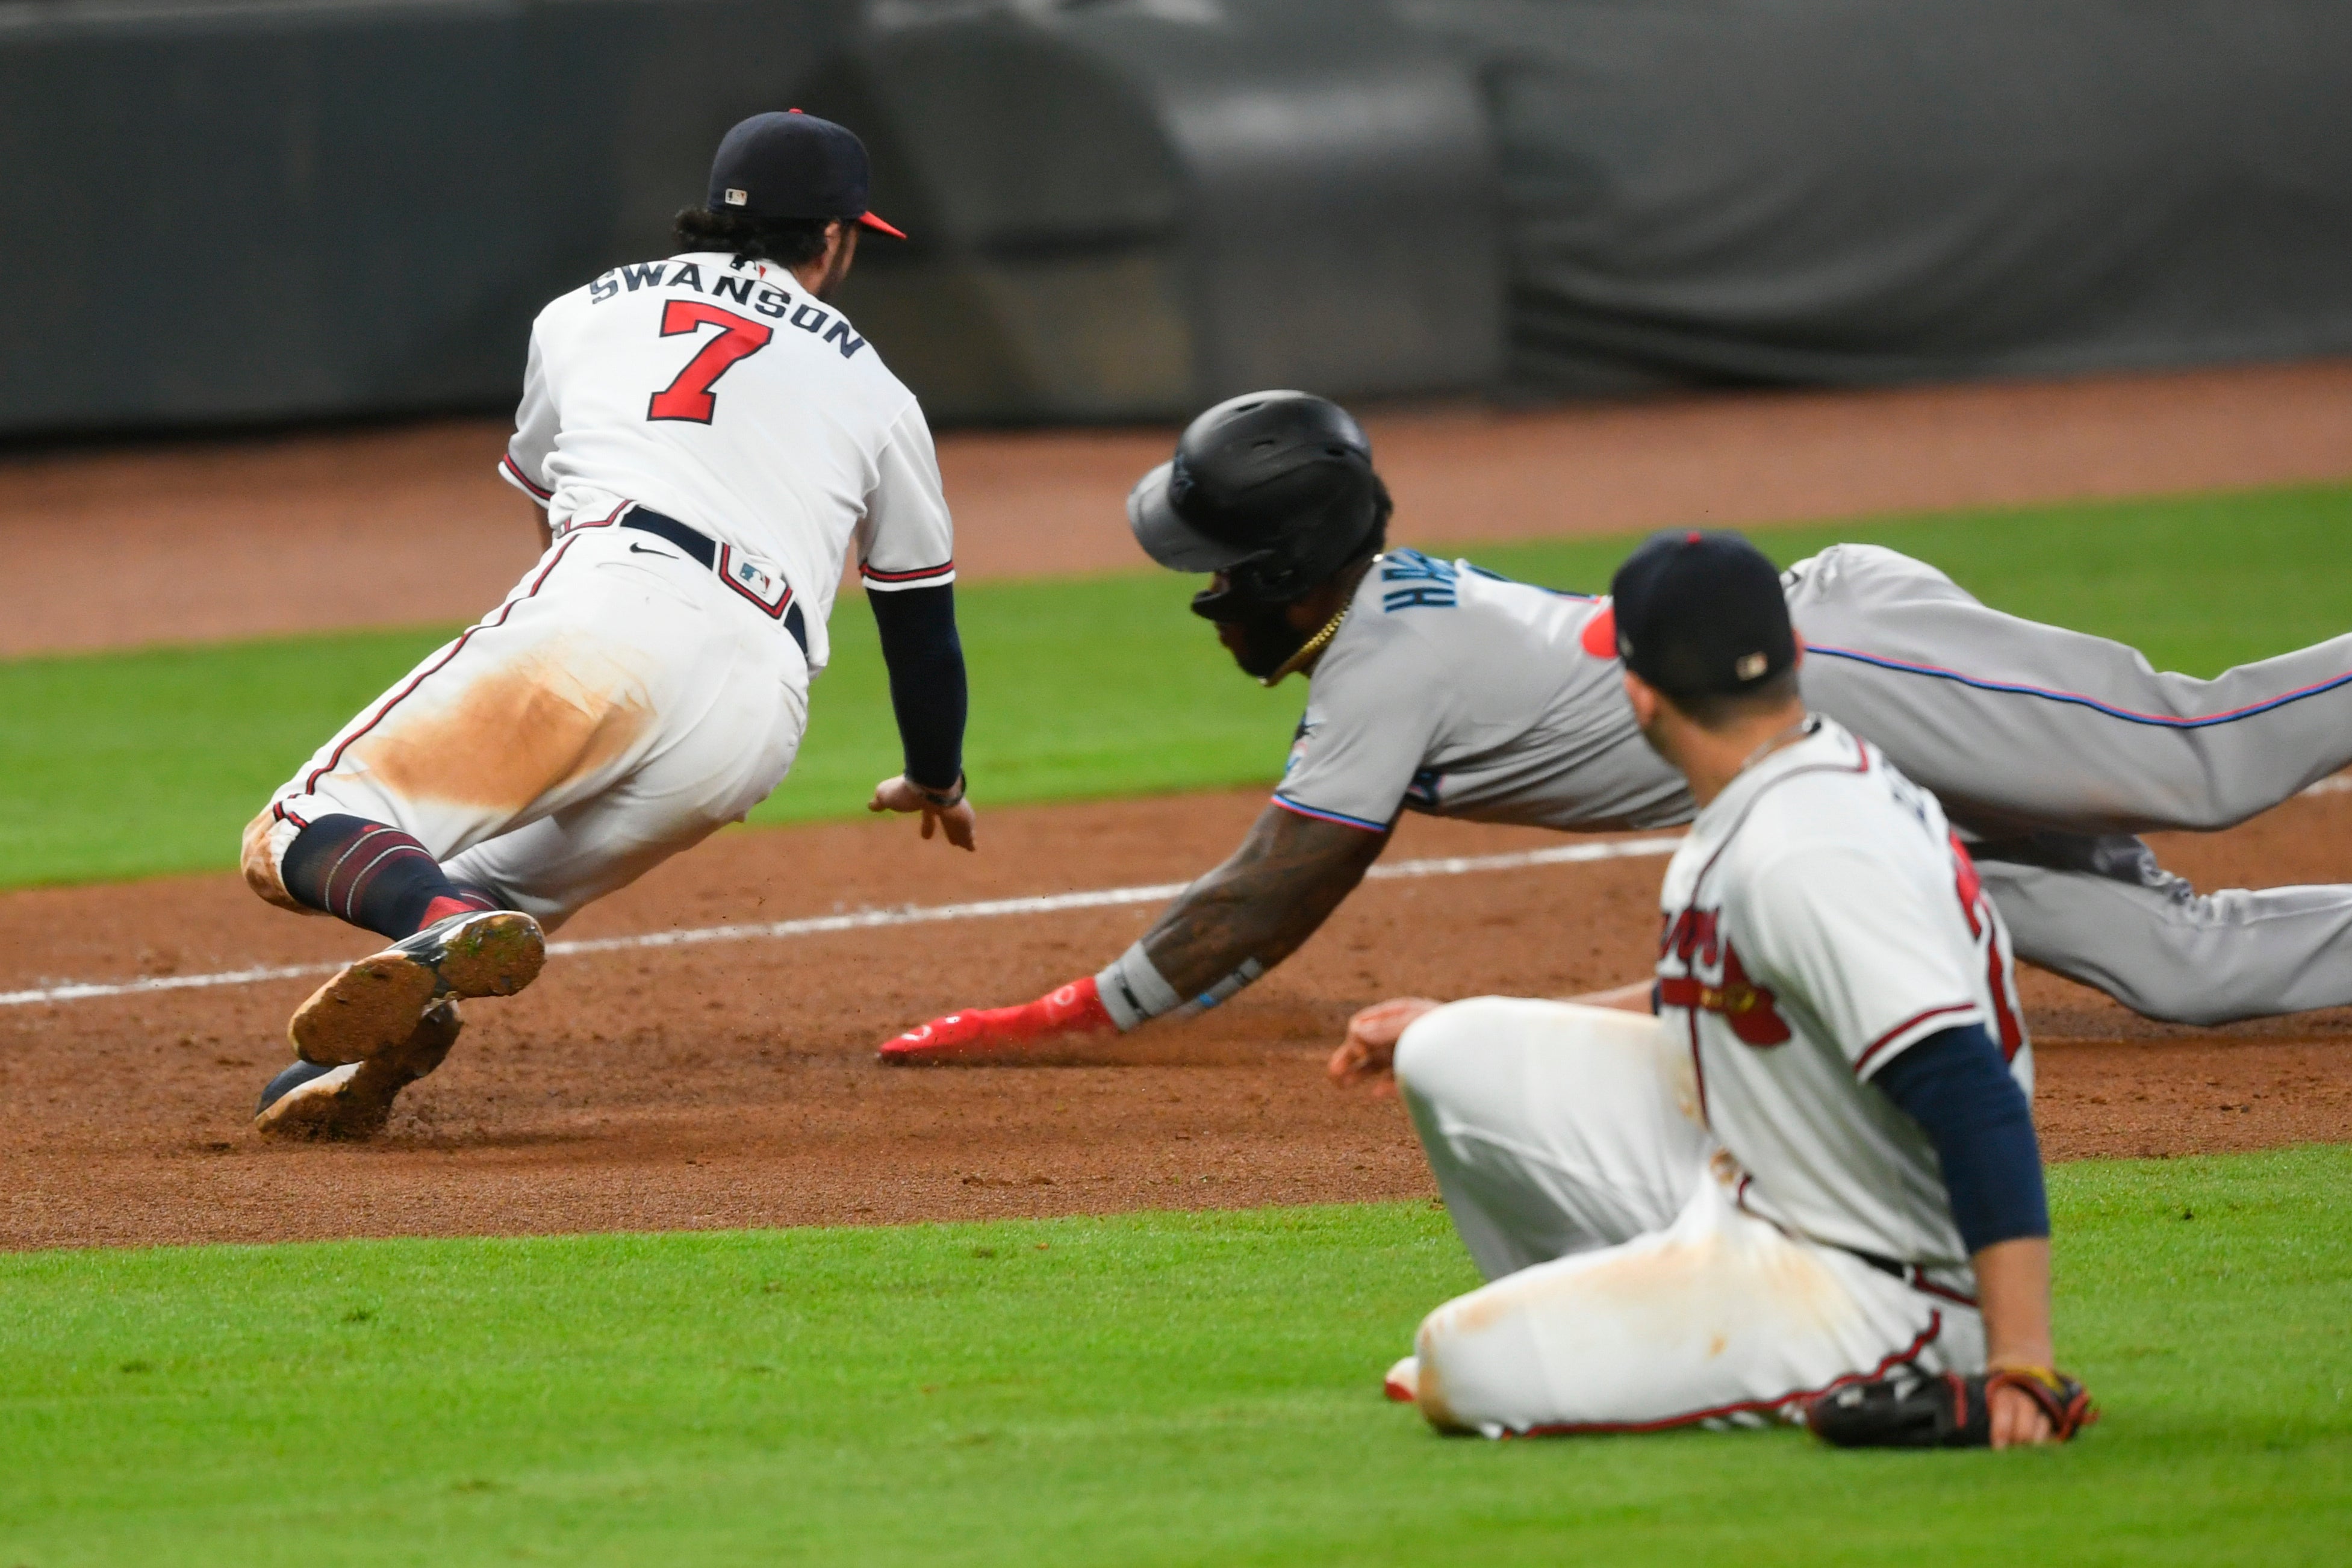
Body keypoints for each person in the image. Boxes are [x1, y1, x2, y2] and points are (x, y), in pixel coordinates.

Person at [880, 389, 2352, 1062]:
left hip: (1842, 665)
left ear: (1277, 573)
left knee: (2202, 761)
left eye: (1209, 578)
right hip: (1827, 763)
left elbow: (1279, 883)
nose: (1199, 607)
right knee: (2175, 968)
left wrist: (1072, 1013)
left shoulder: (1387, 668)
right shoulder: (1384, 625)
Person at [241, 111, 974, 1137]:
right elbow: (918, 618)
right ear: (837, 237)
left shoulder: (579, 314)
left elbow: (542, 493)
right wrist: (936, 774)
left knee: (298, 827)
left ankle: (434, 926)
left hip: (614, 606)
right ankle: (340, 1067)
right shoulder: (878, 387)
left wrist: (588, 632)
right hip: (755, 716)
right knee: (485, 894)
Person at [1334, 530, 2095, 1443]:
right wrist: (1475, 1013)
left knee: (1460, 1363)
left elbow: (1971, 1095)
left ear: (1639, 692)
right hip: (1775, 1182)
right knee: (1453, 1049)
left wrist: (2021, 1365)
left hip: (1883, 1283)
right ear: (1793, 656)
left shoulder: (1804, 847)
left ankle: (1889, 1351)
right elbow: (1725, 994)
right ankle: (1641, 1313)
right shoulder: (1796, 771)